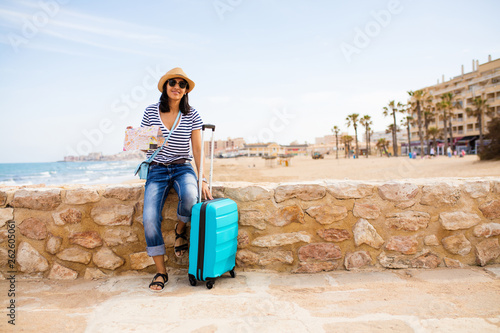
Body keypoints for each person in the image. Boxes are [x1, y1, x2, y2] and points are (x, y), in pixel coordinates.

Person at [141, 67, 213, 292]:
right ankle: (161, 272)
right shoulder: (151, 111)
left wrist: (203, 179)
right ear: (165, 86)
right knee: (150, 218)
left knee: (192, 198)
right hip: (157, 169)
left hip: (182, 167)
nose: (177, 87)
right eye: (173, 83)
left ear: (185, 91)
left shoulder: (192, 114)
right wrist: (141, 139)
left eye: (182, 85)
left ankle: (180, 230)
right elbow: (146, 148)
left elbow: (198, 149)